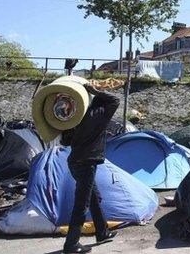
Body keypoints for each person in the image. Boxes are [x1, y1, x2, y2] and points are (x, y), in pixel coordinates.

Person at [60, 83, 120, 254]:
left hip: (75, 162)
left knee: (94, 197)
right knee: (82, 204)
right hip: (86, 163)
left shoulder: (76, 117)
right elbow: (115, 100)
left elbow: (65, 141)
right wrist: (96, 91)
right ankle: (71, 244)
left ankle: (102, 232)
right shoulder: (100, 114)